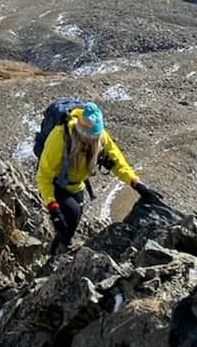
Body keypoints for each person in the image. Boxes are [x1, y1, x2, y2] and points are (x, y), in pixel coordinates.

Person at [36, 101, 163, 251]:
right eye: (90, 138)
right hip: (58, 184)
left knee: (72, 221)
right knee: (72, 213)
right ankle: (56, 254)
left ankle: (60, 248)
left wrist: (136, 184)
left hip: (77, 185)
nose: (94, 141)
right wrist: (53, 207)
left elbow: (117, 161)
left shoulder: (99, 136)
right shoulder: (60, 137)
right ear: (81, 132)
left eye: (96, 137)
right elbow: (44, 176)